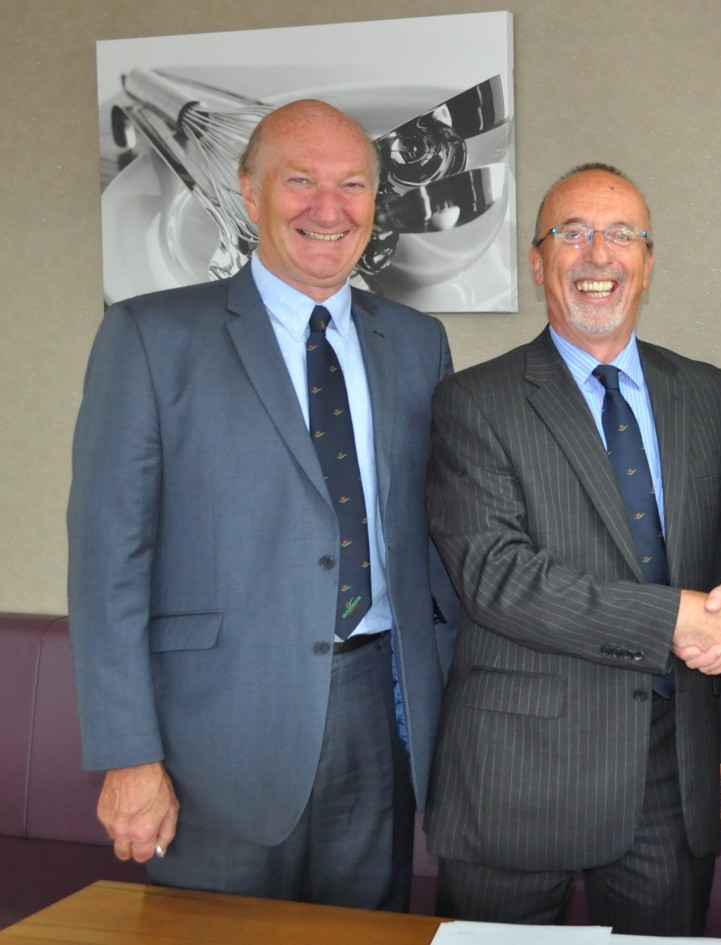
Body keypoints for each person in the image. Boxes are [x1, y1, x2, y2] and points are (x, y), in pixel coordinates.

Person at [67, 99, 458, 910]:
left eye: (352, 184)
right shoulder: (149, 338)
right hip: (213, 744)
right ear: (249, 194)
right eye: (300, 181)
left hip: (381, 723)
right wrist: (128, 754)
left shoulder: (419, 344)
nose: (328, 207)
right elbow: (109, 562)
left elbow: (436, 538)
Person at [423, 163, 721, 936]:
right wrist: (669, 620)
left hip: (673, 773)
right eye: (571, 234)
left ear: (648, 262)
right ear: (538, 261)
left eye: (621, 235)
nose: (597, 255)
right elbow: (496, 577)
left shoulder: (705, 393)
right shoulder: (474, 401)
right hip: (520, 773)